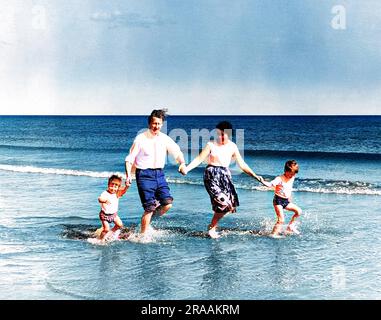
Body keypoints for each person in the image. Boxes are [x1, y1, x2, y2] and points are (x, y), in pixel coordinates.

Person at [182, 121, 264, 239]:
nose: (220, 137)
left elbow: (242, 164)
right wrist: (187, 169)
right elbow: (199, 159)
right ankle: (211, 228)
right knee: (222, 202)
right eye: (218, 134)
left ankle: (212, 226)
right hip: (211, 176)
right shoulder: (211, 144)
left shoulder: (233, 146)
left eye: (222, 134)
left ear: (229, 134)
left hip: (225, 177)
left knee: (229, 205)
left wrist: (255, 176)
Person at [125, 109, 186, 234]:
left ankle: (145, 224)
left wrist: (182, 163)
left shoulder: (165, 139)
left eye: (158, 124)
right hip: (144, 175)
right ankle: (142, 235)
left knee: (167, 204)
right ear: (149, 124)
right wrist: (128, 175)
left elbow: (177, 152)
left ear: (162, 124)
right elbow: (129, 158)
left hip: (159, 174)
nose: (156, 126)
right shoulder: (140, 139)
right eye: (154, 123)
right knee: (149, 208)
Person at [261, 160, 302, 237]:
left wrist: (289, 196)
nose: (292, 176)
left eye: (294, 174)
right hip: (278, 201)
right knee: (281, 220)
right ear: (286, 171)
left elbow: (289, 187)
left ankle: (290, 226)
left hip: (286, 201)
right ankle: (273, 234)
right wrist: (262, 181)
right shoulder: (279, 179)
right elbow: (270, 184)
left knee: (299, 211)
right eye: (291, 174)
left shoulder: (293, 176)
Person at [98, 174, 129, 241]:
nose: (113, 188)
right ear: (108, 185)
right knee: (106, 229)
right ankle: (100, 240)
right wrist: (104, 200)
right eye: (111, 185)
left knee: (119, 225)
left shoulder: (117, 194)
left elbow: (123, 192)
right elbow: (100, 199)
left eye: (116, 186)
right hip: (104, 215)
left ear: (118, 187)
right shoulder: (105, 193)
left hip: (114, 215)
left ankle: (110, 234)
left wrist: (126, 187)